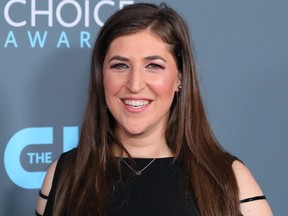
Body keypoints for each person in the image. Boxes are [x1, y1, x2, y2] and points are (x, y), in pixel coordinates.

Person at [36, 3, 273, 216]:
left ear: (180, 77)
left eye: (153, 65)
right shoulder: (64, 175)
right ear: (101, 76)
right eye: (120, 65)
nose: (135, 84)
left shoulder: (229, 179)